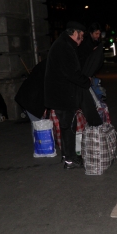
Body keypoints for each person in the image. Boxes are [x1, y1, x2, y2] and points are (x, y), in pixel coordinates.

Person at [43, 21, 91, 169]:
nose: (82, 40)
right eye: (81, 36)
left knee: (66, 126)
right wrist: (86, 81)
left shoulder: (63, 43)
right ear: (75, 33)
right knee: (69, 127)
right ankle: (70, 159)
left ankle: (67, 155)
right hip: (63, 95)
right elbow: (71, 73)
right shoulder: (64, 46)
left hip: (60, 94)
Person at [14, 58, 47, 142]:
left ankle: (41, 147)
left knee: (37, 124)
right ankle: (40, 147)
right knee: (37, 124)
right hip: (31, 98)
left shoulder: (47, 63)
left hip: (32, 97)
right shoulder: (49, 66)